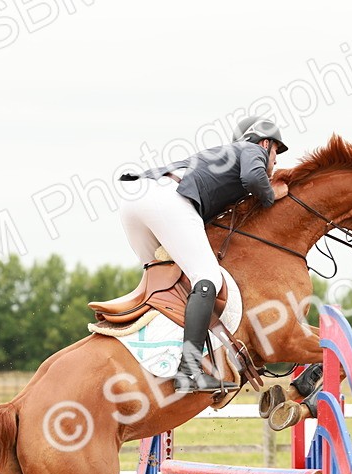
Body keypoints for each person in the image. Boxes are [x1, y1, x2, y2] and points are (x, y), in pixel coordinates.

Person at [119, 116, 290, 393]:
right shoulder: (250, 150)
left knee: (169, 284)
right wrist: (271, 194)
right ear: (265, 143)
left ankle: (156, 356)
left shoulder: (221, 160)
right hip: (165, 199)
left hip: (135, 200)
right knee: (207, 278)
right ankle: (189, 370)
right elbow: (253, 177)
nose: (275, 161)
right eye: (275, 153)